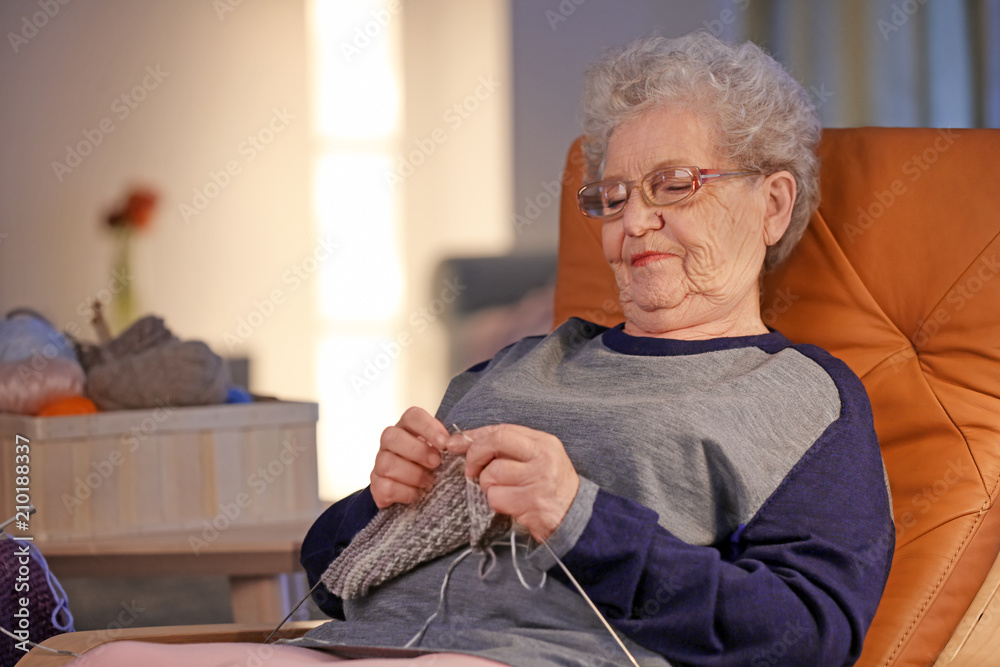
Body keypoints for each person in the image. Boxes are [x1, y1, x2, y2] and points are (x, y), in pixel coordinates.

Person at [68, 31, 893, 667]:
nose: (632, 222)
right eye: (609, 198)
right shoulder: (513, 366)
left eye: (674, 185)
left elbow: (810, 633)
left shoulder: (802, 396)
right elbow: (332, 572)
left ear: (773, 202)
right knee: (109, 658)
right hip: (362, 647)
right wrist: (378, 504)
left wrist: (580, 518)